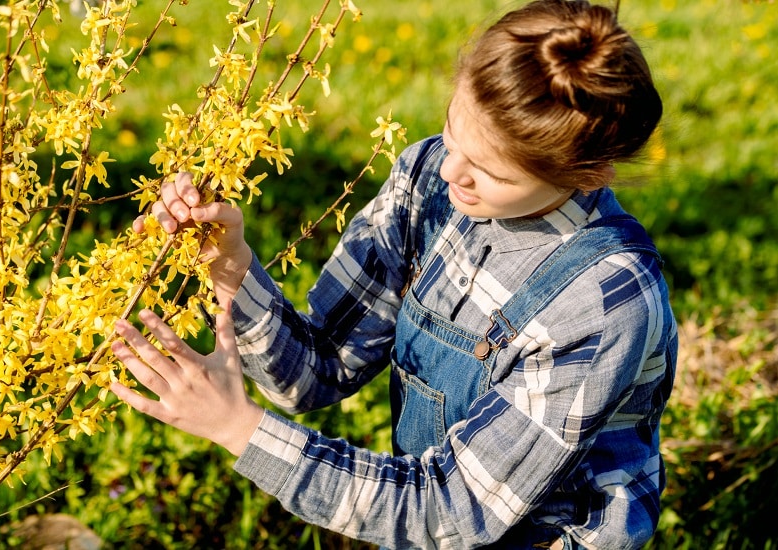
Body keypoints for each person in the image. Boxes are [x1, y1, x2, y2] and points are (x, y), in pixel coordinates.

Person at [110, 0, 677, 548]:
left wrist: (238, 428)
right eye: (454, 134)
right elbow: (316, 369)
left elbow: (452, 510)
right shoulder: (428, 181)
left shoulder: (603, 300)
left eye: (492, 171)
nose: (454, 172)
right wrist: (228, 263)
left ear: (588, 173)